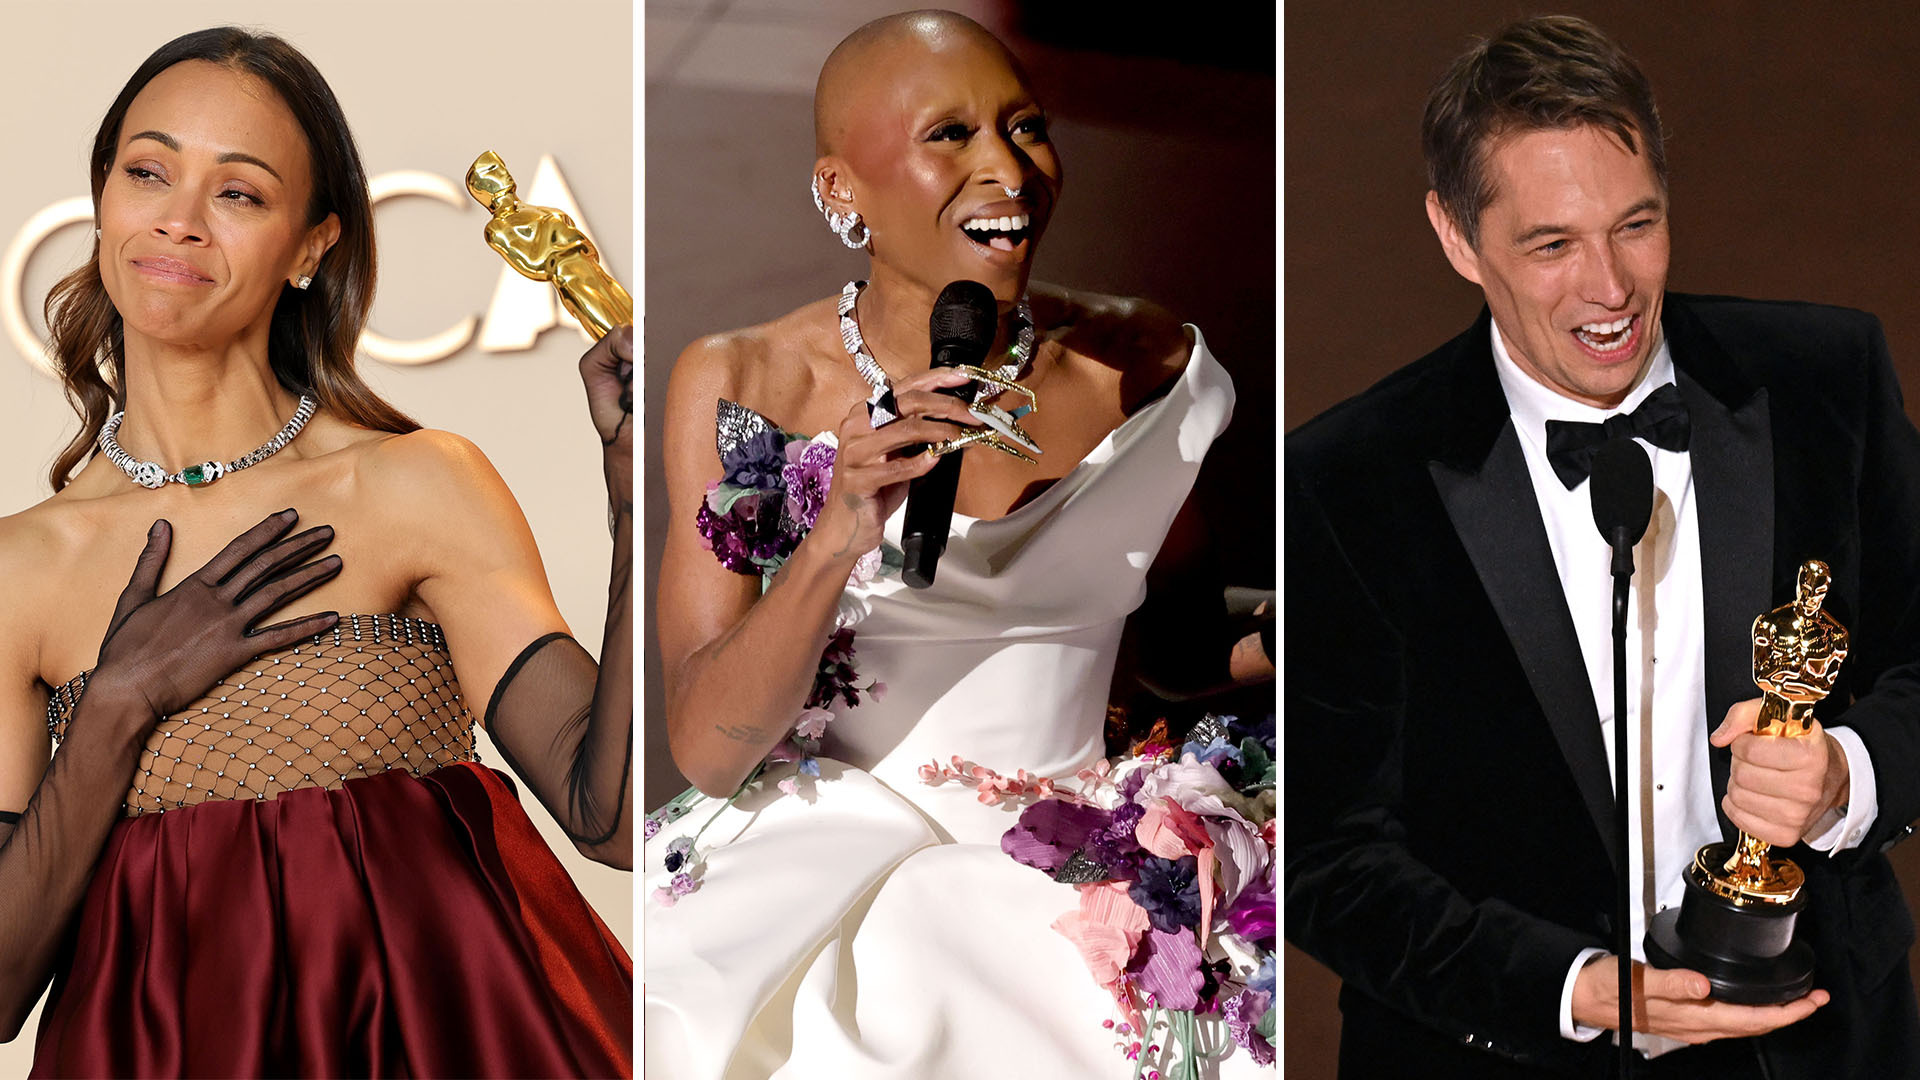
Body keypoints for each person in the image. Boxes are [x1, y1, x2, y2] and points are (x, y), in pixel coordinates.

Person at [1285, 14, 1920, 1078]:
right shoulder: (1349, 476)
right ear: (1454, 236)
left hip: (1815, 1042)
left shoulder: (1826, 382)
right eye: (1551, 244)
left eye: (1637, 225)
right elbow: (1325, 854)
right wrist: (1576, 992)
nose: (1613, 287)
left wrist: (1844, 777)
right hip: (1506, 1049)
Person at [645, 9, 1271, 1079]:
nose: (1008, 169)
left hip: (1069, 873)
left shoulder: (1145, 365)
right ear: (843, 188)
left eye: (1025, 127)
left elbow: (1175, 649)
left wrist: (1285, 635)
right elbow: (706, 744)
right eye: (950, 134)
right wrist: (838, 532)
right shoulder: (748, 381)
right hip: (823, 862)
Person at [0, 27, 633, 1077]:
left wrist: (634, 506)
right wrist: (116, 706)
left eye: (239, 194)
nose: (179, 220)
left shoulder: (416, 482)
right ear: (104, 201)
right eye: (147, 171)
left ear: (311, 245)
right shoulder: (23, 570)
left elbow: (607, 817)